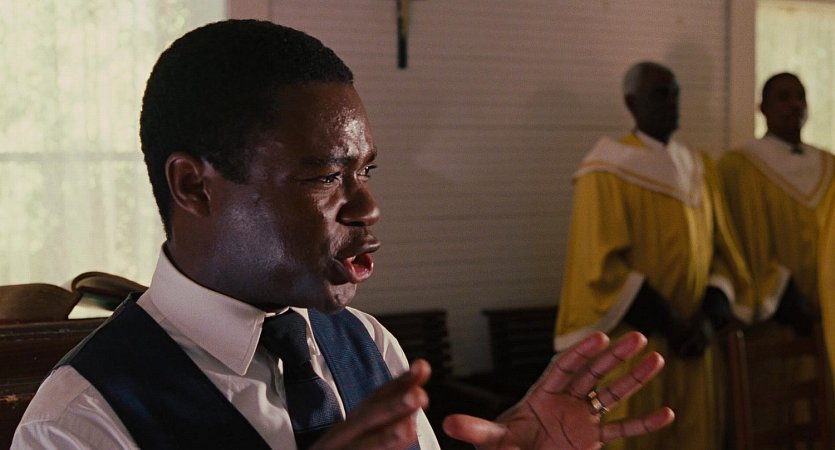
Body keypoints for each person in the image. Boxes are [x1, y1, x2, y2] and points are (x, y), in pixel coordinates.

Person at [12, 21, 673, 450]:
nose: (368, 207)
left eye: (365, 171)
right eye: (326, 176)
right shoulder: (80, 420)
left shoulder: (369, 349)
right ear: (194, 186)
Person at [554, 61, 755, 449]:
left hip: (694, 344)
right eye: (660, 94)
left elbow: (722, 251)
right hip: (637, 344)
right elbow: (600, 266)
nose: (671, 102)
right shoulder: (607, 167)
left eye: (676, 93)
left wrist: (708, 318)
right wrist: (670, 322)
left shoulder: (699, 167)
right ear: (632, 103)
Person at [717, 73, 826, 357]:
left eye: (800, 96)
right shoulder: (739, 167)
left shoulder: (829, 165)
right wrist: (787, 300)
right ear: (763, 108)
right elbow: (740, 244)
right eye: (783, 97)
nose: (795, 104)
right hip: (774, 316)